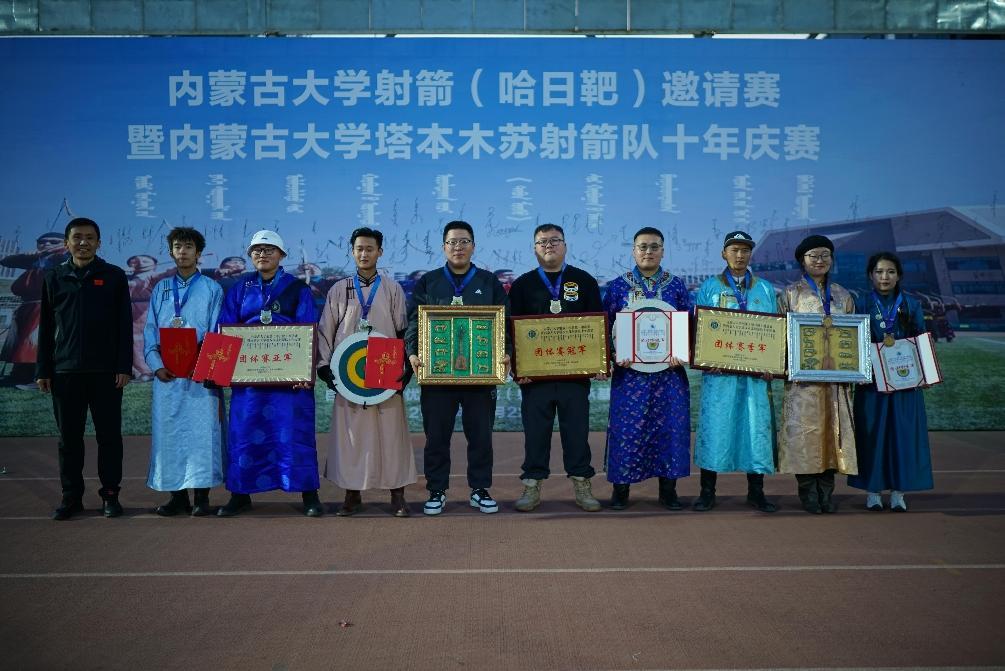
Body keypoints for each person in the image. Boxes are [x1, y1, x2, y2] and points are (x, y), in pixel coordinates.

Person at [215, 230, 324, 517]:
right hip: (249, 380)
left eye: (269, 249)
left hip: (290, 381)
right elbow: (225, 326)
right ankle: (240, 494)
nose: (262, 254)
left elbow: (309, 329)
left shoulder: (297, 288)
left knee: (295, 435)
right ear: (250, 256)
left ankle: (309, 494)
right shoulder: (239, 288)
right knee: (244, 433)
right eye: (257, 250)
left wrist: (304, 371)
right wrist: (221, 371)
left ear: (282, 255)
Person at [405, 220, 511, 516]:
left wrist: (506, 352)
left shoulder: (488, 282)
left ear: (473, 246)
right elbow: (414, 321)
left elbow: (504, 321)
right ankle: (436, 490)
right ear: (444, 247)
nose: (458, 247)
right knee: (436, 437)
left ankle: (480, 489)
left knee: (481, 437)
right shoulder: (429, 282)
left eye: (464, 241)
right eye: (452, 242)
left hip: (480, 375)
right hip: (437, 376)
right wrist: (412, 352)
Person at [35, 218, 132, 520]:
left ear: (99, 243)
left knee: (109, 438)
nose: (83, 243)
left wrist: (123, 366)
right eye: (77, 237)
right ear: (67, 243)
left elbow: (124, 325)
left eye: (90, 238)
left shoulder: (114, 276)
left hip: (106, 373)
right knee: (69, 439)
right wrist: (43, 369)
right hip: (65, 372)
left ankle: (110, 496)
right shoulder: (54, 277)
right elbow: (46, 327)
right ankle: (71, 497)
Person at [316, 227, 417, 517]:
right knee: (352, 435)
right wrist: (325, 367)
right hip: (348, 371)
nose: (364, 253)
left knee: (391, 433)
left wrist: (404, 369)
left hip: (385, 368)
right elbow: (326, 330)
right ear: (352, 252)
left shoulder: (392, 288)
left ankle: (397, 494)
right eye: (359, 248)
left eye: (370, 249)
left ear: (379, 252)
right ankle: (352, 493)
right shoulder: (338, 289)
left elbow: (402, 330)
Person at [508, 224, 604, 512]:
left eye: (554, 240)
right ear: (534, 248)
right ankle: (532, 485)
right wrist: (518, 367)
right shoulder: (523, 285)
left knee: (577, 433)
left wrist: (600, 361)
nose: (548, 245)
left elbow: (598, 323)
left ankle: (582, 484)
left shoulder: (584, 280)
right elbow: (512, 330)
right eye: (542, 242)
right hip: (535, 378)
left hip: (575, 376)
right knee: (535, 434)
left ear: (565, 245)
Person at [603, 227, 691, 510]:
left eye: (654, 247)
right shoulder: (618, 286)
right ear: (633, 251)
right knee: (627, 432)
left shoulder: (676, 286)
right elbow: (605, 327)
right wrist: (614, 353)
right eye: (643, 247)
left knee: (670, 430)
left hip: (669, 375)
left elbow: (689, 325)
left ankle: (669, 491)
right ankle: (621, 490)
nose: (648, 252)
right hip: (630, 376)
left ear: (663, 251)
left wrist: (682, 352)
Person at [693, 231, 778, 513]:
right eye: (734, 250)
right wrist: (706, 357)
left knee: (755, 429)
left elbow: (775, 332)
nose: (740, 255)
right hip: (720, 375)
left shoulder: (765, 289)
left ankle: (756, 492)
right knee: (716, 428)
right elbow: (699, 328)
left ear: (751, 254)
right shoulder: (710, 287)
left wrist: (773, 364)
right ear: (723, 254)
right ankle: (707, 492)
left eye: (745, 250)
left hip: (755, 377)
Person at [142, 227, 225, 517]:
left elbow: (217, 330)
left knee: (203, 434)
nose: (183, 251)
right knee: (170, 435)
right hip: (168, 376)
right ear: (171, 252)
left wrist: (205, 366)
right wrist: (156, 365)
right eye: (178, 247)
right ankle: (177, 496)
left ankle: (202, 497)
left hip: (200, 376)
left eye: (189, 247)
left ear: (198, 253)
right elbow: (150, 330)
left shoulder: (212, 288)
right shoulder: (161, 289)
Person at [777, 234, 858, 514]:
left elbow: (853, 338)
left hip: (836, 382)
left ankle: (826, 492)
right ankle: (808, 493)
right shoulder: (790, 294)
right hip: (803, 384)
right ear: (803, 261)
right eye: (813, 256)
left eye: (825, 255)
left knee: (833, 435)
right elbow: (780, 336)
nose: (820, 260)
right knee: (804, 435)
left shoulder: (843, 295)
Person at [849, 252, 933, 512]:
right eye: (879, 272)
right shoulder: (861, 303)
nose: (884, 277)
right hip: (872, 385)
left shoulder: (911, 304)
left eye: (890, 272)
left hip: (905, 384)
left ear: (899, 276)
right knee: (872, 436)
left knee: (903, 436)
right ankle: (873, 492)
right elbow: (852, 342)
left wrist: (926, 374)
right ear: (870, 275)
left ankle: (898, 492)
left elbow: (922, 339)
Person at [1, 231, 66, 387]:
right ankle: (19, 375)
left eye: (53, 242)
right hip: (28, 306)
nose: (46, 244)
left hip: (46, 306)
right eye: (42, 242)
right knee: (20, 343)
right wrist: (28, 255)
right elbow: (6, 261)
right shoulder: (36, 259)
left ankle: (39, 377)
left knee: (36, 343)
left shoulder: (65, 257)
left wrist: (62, 250)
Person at [127, 254, 171, 382]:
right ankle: (140, 371)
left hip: (147, 312)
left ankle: (148, 371)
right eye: (135, 261)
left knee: (146, 341)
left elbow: (168, 273)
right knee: (134, 343)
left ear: (154, 264)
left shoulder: (152, 276)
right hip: (132, 314)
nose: (140, 262)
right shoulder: (127, 277)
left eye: (144, 260)